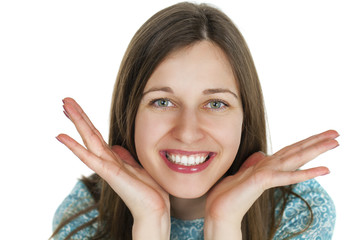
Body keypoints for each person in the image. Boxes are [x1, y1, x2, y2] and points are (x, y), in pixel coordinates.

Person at [52, 2, 338, 239]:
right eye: (162, 102)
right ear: (130, 113)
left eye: (215, 103)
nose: (187, 133)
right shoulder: (85, 214)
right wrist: (150, 222)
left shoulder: (298, 210)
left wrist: (223, 224)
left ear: (245, 116)